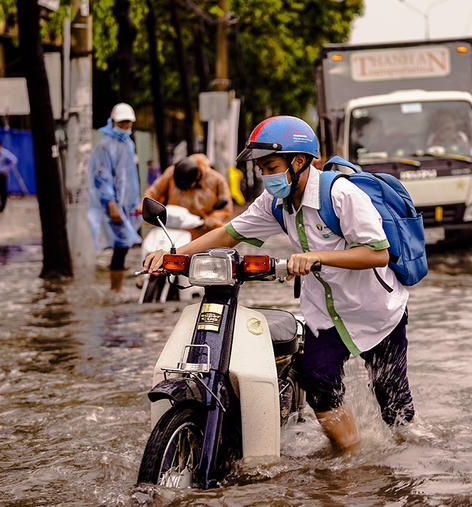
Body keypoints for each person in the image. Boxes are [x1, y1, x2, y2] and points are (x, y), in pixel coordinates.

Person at [145, 115, 414, 451]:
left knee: (394, 406)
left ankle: (409, 457)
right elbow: (229, 233)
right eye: (262, 168)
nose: (265, 175)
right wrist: (173, 254)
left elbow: (377, 254)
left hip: (376, 310)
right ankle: (353, 459)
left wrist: (317, 256)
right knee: (317, 383)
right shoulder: (274, 203)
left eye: (270, 165)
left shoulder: (341, 194)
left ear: (298, 161)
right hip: (325, 314)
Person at [88, 102, 142, 292]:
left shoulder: (128, 144)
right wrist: (110, 203)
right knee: (121, 244)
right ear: (113, 122)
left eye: (128, 123)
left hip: (129, 203)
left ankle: (116, 287)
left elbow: (130, 176)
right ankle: (115, 288)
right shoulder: (105, 146)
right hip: (114, 204)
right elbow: (102, 177)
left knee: (124, 245)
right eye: (122, 123)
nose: (126, 126)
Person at [141, 153, 233, 240]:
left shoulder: (217, 180)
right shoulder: (172, 173)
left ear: (196, 180)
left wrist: (213, 218)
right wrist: (144, 205)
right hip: (175, 229)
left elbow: (226, 208)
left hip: (203, 233)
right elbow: (154, 191)